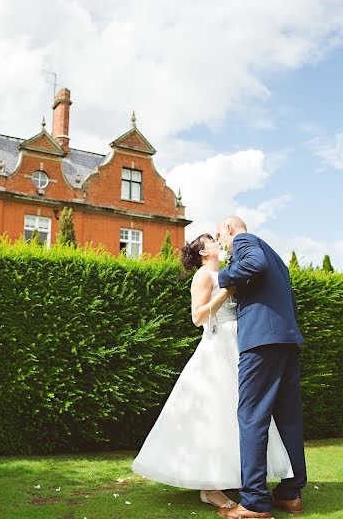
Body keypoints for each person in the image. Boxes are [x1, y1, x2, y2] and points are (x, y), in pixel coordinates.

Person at [132, 233, 292, 511]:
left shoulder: (227, 272)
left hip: (237, 345)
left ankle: (232, 474)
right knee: (214, 413)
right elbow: (197, 317)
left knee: (238, 413)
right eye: (212, 241)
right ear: (204, 253)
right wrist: (226, 292)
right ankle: (209, 487)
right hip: (217, 347)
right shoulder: (204, 276)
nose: (219, 242)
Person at [216, 216, 307, 519]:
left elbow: (253, 264)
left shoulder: (244, 241)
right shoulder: (278, 258)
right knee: (288, 418)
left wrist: (223, 275)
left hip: (262, 342)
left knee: (251, 416)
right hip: (286, 340)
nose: (224, 245)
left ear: (230, 229)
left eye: (221, 236)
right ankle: (290, 494)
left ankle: (254, 501)